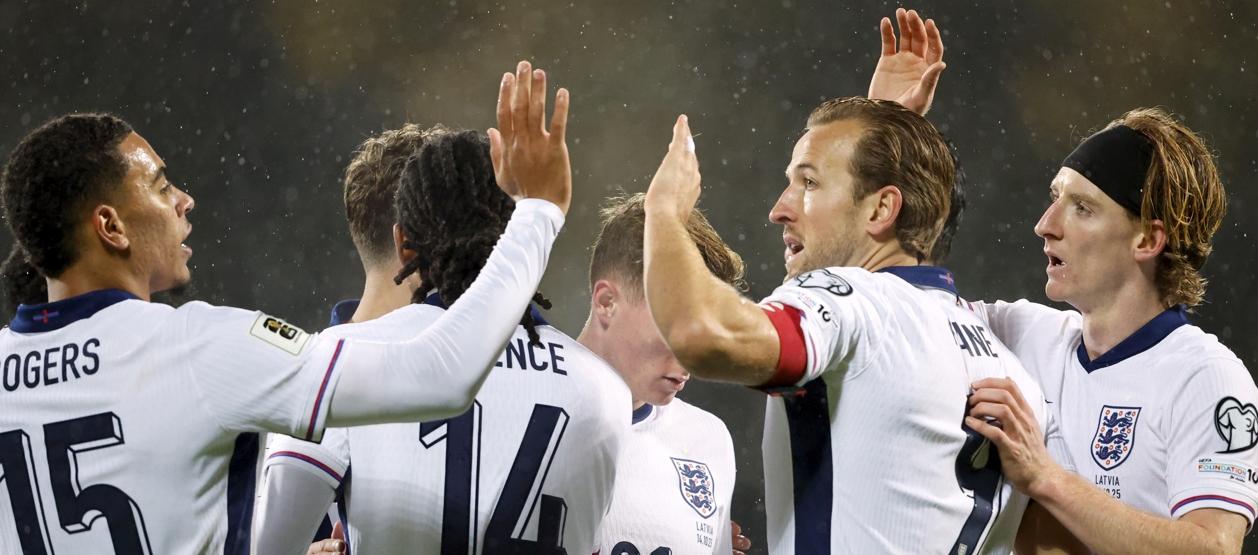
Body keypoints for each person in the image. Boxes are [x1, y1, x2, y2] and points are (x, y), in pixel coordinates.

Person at [0, 59, 571, 554]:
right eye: (160, 186)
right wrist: (538, 212)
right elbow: (440, 376)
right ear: (110, 225)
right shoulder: (197, 347)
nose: (183, 200)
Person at [861, 11, 1258, 552]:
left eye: (1083, 208)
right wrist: (887, 130)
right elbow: (883, 296)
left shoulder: (1205, 377)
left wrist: (1043, 475)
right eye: (1055, 199)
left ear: (1147, 239)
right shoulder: (1021, 336)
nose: (1046, 225)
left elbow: (1212, 547)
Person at [640, 79, 1047, 555]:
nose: (779, 209)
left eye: (808, 183)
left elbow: (702, 333)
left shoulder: (853, 299)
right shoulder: (1007, 363)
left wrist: (664, 213)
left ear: (882, 208)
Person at [254, 68, 632, 554]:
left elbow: (267, 546)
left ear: (403, 243)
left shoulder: (337, 362)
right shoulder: (605, 390)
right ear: (514, 235)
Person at [581, 194, 746, 555]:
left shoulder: (708, 438)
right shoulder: (525, 404)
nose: (693, 355)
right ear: (607, 302)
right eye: (677, 326)